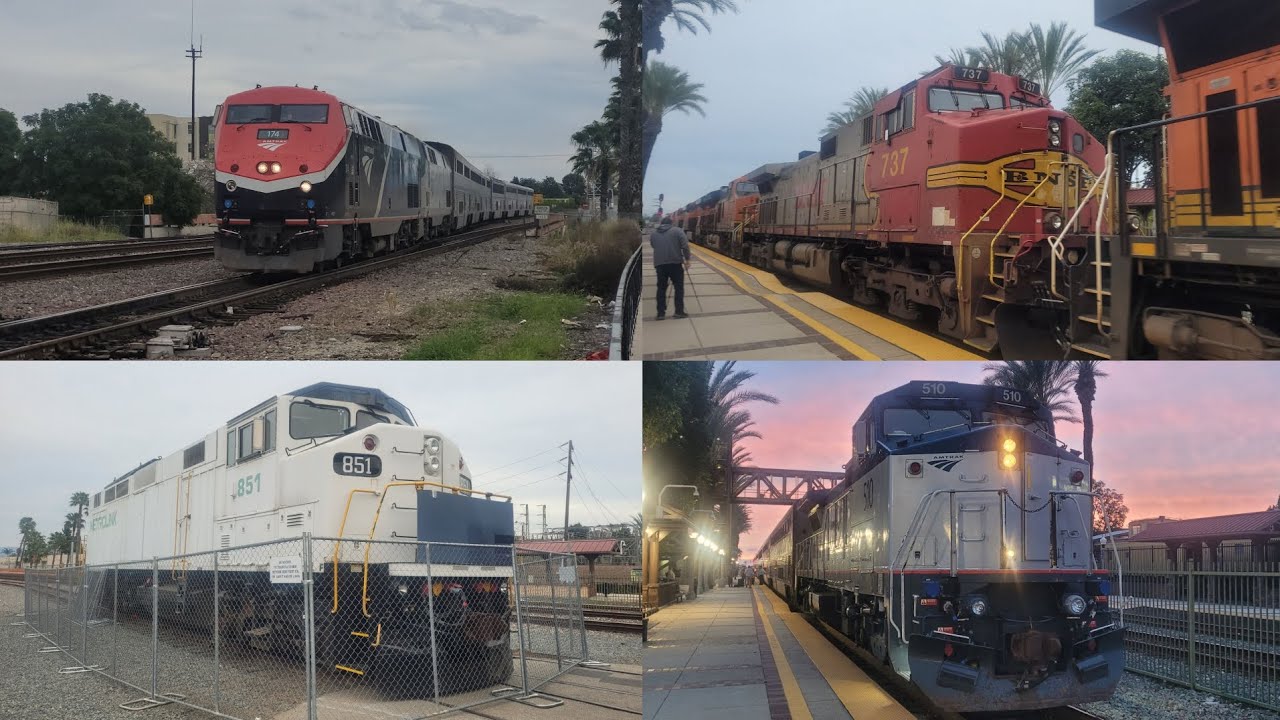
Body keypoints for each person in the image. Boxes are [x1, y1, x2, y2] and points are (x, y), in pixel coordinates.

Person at [649, 216, 691, 320]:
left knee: (661, 288)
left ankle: (660, 313)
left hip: (660, 265)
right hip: (675, 263)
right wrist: (687, 260)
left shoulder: (654, 233)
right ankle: (679, 312)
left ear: (662, 223)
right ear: (671, 223)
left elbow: (653, 245)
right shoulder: (678, 231)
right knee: (679, 288)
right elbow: (685, 246)